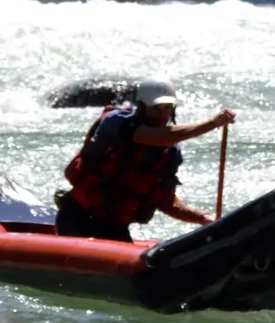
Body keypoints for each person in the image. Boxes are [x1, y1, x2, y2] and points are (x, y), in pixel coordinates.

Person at [54, 78, 235, 241]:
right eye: (156, 108)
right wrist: (212, 124)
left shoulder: (170, 153)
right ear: (141, 107)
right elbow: (152, 136)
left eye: (167, 108)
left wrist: (203, 217)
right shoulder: (116, 122)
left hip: (114, 227)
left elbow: (166, 202)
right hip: (77, 217)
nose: (162, 115)